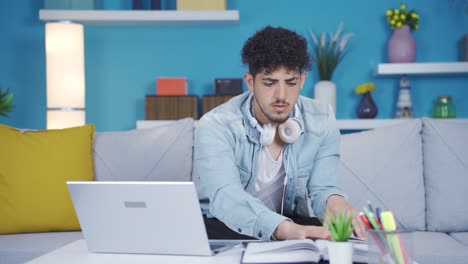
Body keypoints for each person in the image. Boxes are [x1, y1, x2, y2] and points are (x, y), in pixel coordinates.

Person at [193, 25, 366, 241]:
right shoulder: (215, 125)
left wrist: (335, 201)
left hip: (290, 220)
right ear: (250, 82)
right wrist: (283, 229)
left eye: (291, 82)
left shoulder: (321, 118)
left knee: (332, 234)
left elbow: (324, 187)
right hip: (227, 223)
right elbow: (225, 197)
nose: (281, 95)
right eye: (269, 82)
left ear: (302, 80)